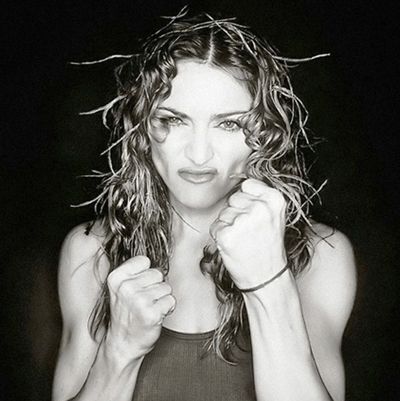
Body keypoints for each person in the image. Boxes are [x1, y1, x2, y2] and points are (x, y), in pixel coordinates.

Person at [52, 12, 357, 401]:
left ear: (263, 133)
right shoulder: (90, 251)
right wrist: (119, 352)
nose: (198, 154)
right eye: (173, 120)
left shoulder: (320, 255)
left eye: (229, 124)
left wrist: (270, 281)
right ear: (143, 129)